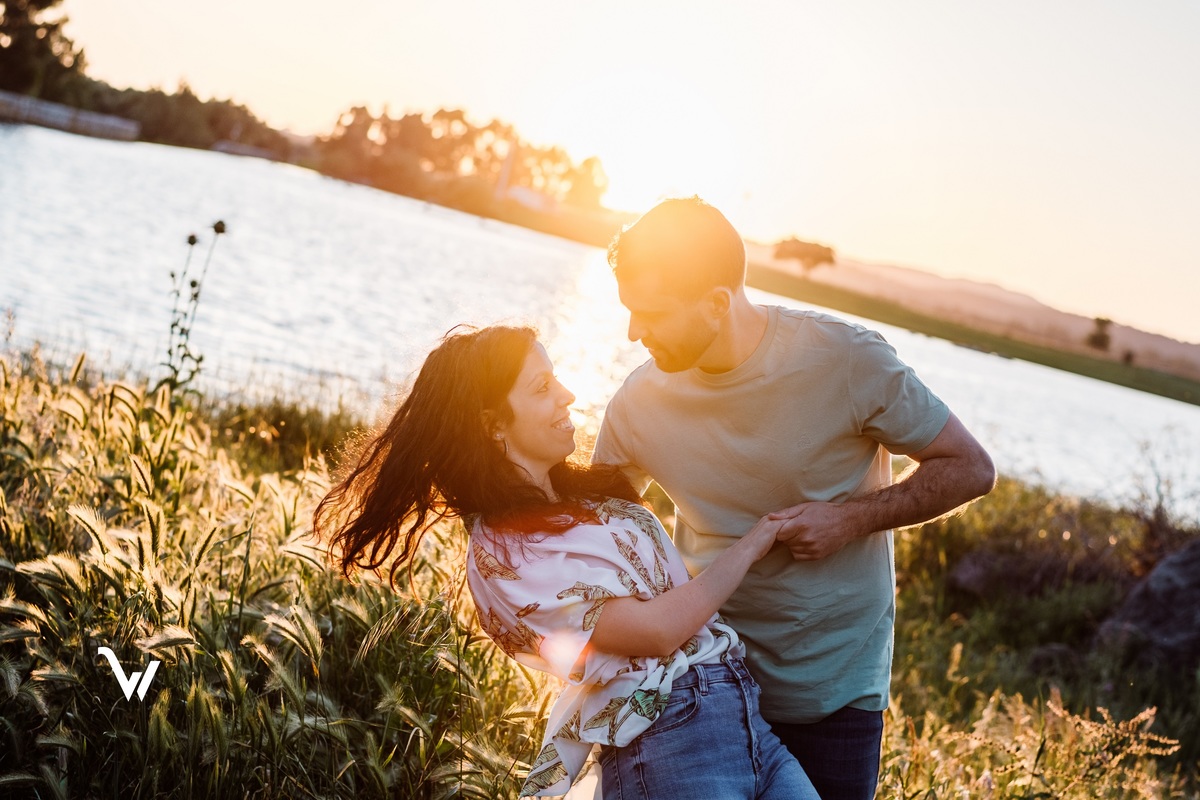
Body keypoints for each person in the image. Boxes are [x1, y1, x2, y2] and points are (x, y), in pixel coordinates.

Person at [593, 198, 997, 800]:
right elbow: (595, 537)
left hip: (832, 691)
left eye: (650, 312)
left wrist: (848, 519)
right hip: (701, 686)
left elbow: (970, 467)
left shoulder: (847, 359)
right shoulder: (638, 404)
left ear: (715, 304)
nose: (633, 331)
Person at [313, 324, 820, 800]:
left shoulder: (585, 495)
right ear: (492, 425)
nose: (567, 396)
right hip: (671, 740)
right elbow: (656, 630)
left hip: (742, 714)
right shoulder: (504, 553)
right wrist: (755, 541)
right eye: (541, 388)